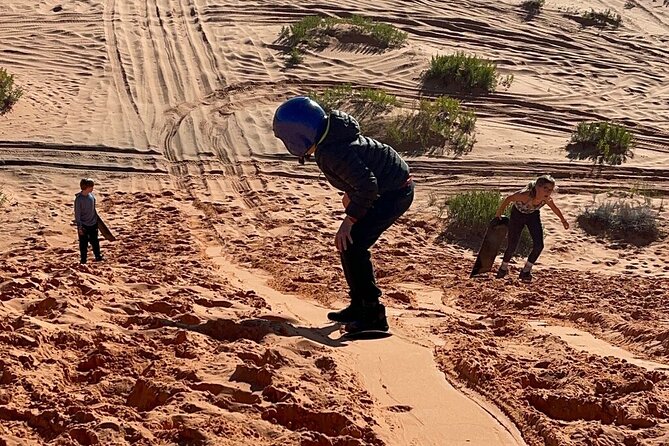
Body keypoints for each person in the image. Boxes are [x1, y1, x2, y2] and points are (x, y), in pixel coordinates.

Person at [273, 96, 414, 332]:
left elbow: (368, 185)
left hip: (394, 194)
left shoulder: (331, 151)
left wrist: (350, 220)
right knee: (349, 245)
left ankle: (373, 316)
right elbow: (360, 174)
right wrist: (351, 196)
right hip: (390, 189)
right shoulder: (333, 138)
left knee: (353, 244)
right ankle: (359, 305)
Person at [495, 175, 569, 282]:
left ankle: (526, 270)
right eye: (545, 189)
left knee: (539, 245)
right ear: (538, 187)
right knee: (512, 245)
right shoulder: (525, 195)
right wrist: (499, 212)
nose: (548, 192)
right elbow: (509, 198)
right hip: (517, 216)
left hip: (532, 216)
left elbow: (554, 208)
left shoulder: (546, 199)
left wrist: (563, 220)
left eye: (550, 190)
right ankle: (503, 268)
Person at [74, 178, 104, 264]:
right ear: (86, 187)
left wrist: (96, 221)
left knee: (95, 241)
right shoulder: (79, 199)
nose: (92, 188)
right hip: (84, 225)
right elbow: (77, 214)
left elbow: (93, 210)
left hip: (93, 223)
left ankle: (98, 256)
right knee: (83, 243)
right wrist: (80, 227)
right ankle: (83, 260)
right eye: (91, 186)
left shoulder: (92, 196)